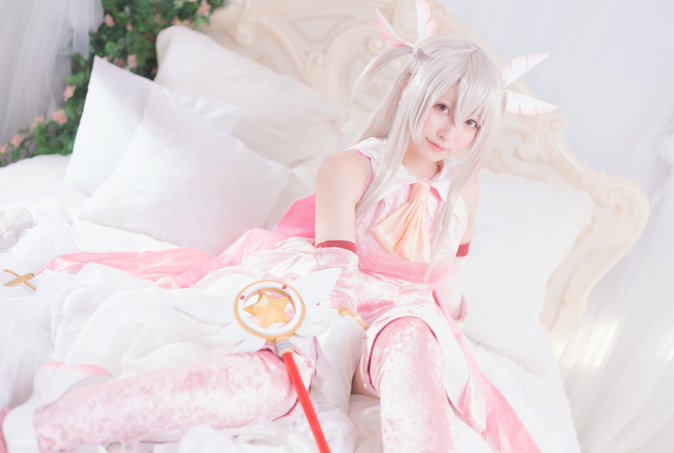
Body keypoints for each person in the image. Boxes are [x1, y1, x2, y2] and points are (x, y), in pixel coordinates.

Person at [1, 5, 546, 453]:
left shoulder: (463, 190)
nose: (451, 131)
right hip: (329, 304)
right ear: (410, 90)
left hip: (399, 325)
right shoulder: (352, 168)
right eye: (442, 107)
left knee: (414, 345)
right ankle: (44, 429)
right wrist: (390, 317)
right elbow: (337, 277)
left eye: (471, 121)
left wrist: (447, 325)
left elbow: (448, 283)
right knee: (263, 383)